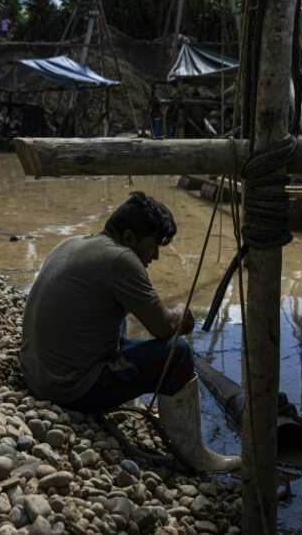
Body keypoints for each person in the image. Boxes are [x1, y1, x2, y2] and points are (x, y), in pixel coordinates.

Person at [20, 192, 239, 472]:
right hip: (67, 389)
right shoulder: (121, 259)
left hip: (34, 373)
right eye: (154, 246)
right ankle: (196, 455)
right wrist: (180, 314)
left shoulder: (72, 243)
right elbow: (162, 329)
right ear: (129, 237)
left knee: (112, 308)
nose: (156, 256)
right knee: (178, 353)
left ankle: (136, 399)